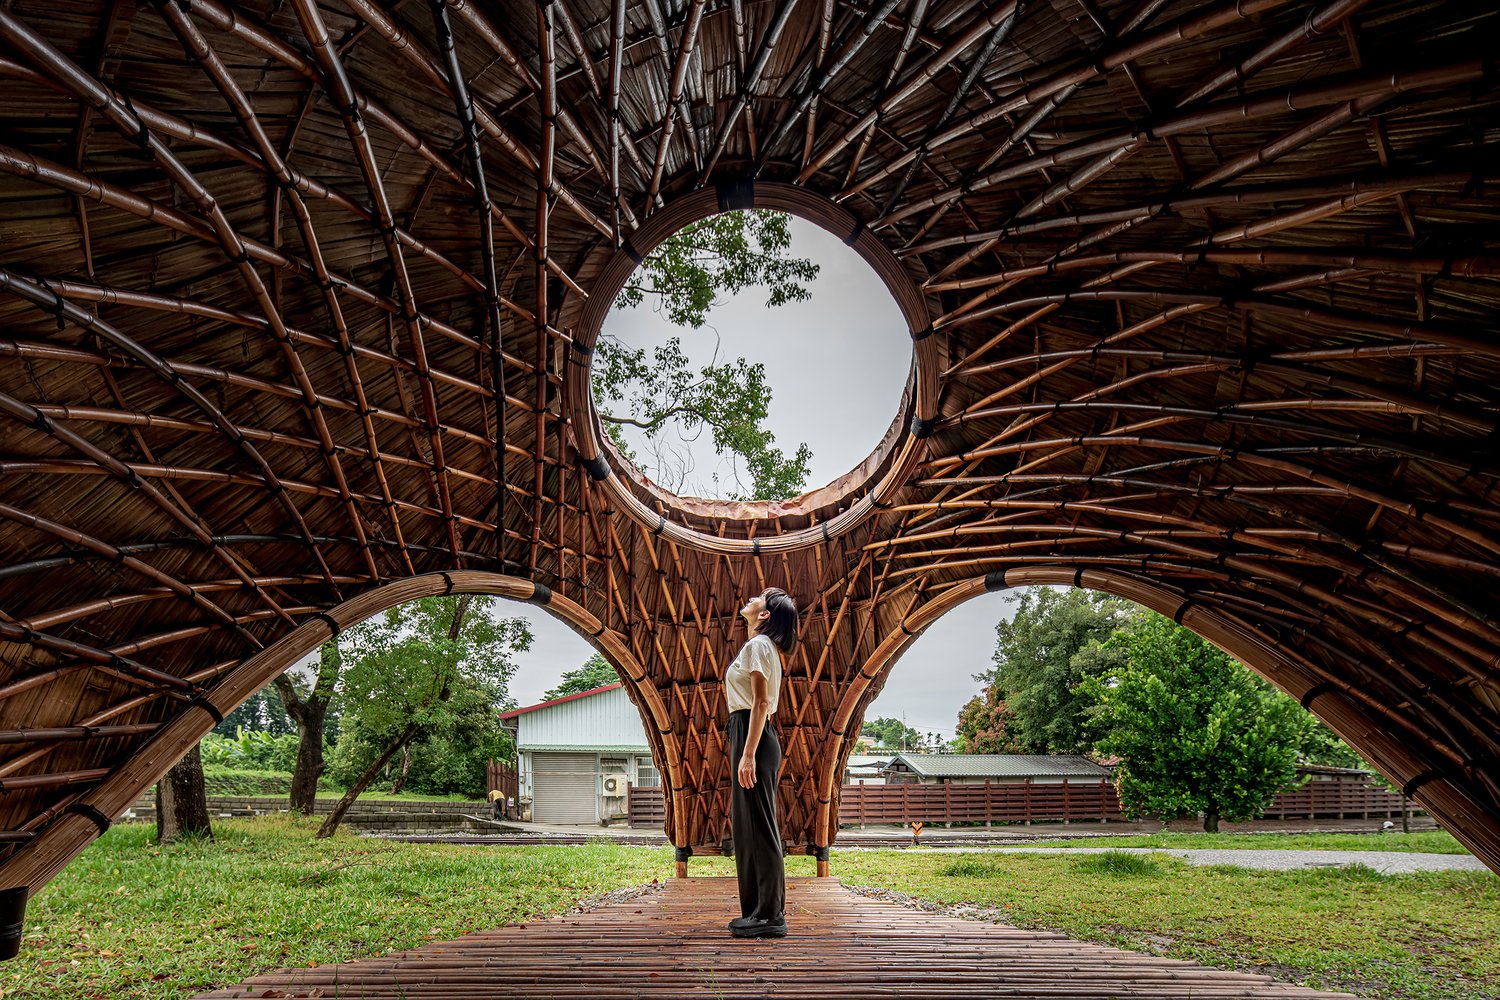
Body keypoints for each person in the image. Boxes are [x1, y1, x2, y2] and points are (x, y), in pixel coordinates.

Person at [723, 586, 797, 938]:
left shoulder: (757, 646)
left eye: (759, 599)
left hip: (753, 735)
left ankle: (770, 914)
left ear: (765, 615)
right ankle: (758, 911)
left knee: (760, 827)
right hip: (748, 732)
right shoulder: (762, 647)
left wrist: (748, 753)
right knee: (749, 827)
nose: (751, 599)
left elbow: (761, 703)